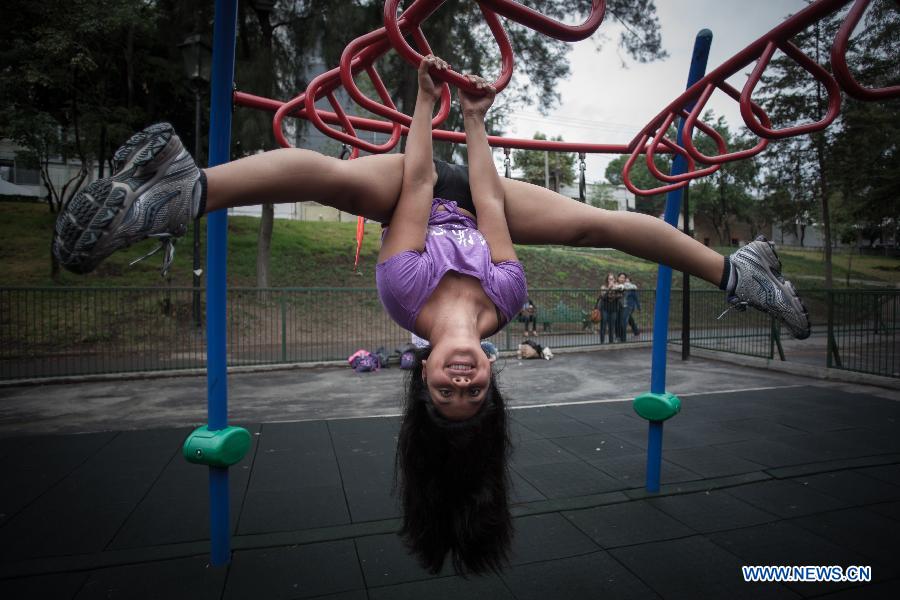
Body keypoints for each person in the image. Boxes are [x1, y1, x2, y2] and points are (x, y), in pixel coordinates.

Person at [51, 54, 810, 573]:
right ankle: (738, 273)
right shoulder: (506, 304)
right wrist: (476, 118)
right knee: (595, 223)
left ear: (423, 386)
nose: (458, 380)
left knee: (337, 179)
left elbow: (415, 182)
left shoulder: (402, 296)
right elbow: (487, 202)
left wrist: (423, 103)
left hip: (409, 187)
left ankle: (183, 190)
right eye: (472, 391)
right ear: (489, 380)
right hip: (479, 197)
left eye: (444, 392)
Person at [597, 272, 623, 344]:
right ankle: (602, 341)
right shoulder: (603, 287)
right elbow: (603, 297)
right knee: (603, 326)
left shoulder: (617, 287)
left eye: (612, 279)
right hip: (605, 309)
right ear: (607, 280)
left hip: (614, 309)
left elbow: (620, 296)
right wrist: (609, 288)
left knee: (612, 326)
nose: (611, 280)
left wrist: (618, 289)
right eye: (609, 279)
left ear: (614, 280)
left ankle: (611, 342)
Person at [618, 272, 641, 338]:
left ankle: (623, 337)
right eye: (626, 281)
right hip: (624, 306)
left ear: (630, 282)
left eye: (628, 281)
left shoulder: (632, 288)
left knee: (624, 320)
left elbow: (636, 298)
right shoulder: (623, 287)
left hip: (630, 306)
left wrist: (638, 307)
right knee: (630, 320)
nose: (627, 282)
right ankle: (636, 333)